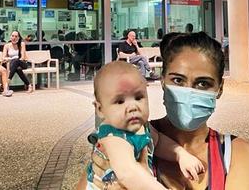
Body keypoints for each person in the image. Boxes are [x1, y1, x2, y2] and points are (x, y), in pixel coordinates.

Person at [78, 32, 249, 190]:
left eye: (202, 83)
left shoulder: (236, 154)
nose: (189, 92)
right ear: (163, 80)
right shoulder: (123, 136)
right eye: (178, 81)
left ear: (219, 88)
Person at [85, 61, 204, 190]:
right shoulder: (112, 137)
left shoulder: (142, 126)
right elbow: (128, 173)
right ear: (100, 109)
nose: (132, 107)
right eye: (119, 101)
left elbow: (158, 142)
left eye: (138, 97)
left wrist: (180, 154)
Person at [2, 30, 34, 95]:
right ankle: (29, 85)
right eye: (12, 36)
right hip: (11, 64)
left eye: (16, 36)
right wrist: (10, 59)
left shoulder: (22, 44)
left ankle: (7, 84)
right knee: (18, 69)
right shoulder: (7, 46)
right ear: (10, 37)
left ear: (19, 38)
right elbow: (3, 57)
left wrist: (14, 59)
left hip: (22, 63)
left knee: (16, 61)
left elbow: (22, 57)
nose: (14, 38)